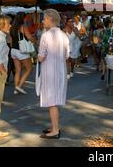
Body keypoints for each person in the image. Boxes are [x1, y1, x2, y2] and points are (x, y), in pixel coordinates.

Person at [38, 9, 70, 139]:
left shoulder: (46, 35)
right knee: (54, 101)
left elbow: (40, 57)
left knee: (52, 102)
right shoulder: (63, 34)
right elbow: (67, 55)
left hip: (50, 72)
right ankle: (54, 126)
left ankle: (55, 130)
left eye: (44, 18)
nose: (42, 21)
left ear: (50, 19)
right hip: (61, 71)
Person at [9, 12, 34, 95]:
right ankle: (19, 86)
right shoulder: (23, 26)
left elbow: (11, 41)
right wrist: (35, 40)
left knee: (18, 70)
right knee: (29, 68)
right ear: (23, 18)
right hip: (21, 51)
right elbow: (30, 37)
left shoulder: (12, 27)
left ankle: (16, 89)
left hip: (13, 50)